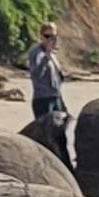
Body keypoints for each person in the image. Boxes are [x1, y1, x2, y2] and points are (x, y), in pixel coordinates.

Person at [25, 23, 68, 159]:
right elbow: (36, 75)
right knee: (46, 138)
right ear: (41, 36)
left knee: (61, 135)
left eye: (54, 36)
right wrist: (47, 56)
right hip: (43, 99)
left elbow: (58, 77)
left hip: (55, 97)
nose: (51, 40)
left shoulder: (52, 54)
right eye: (48, 36)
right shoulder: (36, 53)